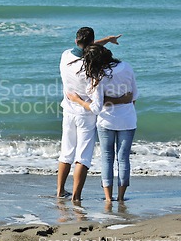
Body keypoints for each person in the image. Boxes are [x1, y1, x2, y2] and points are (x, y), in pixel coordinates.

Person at [58, 27, 129, 203]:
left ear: (76, 41)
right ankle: (76, 196)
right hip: (85, 114)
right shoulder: (92, 70)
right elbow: (96, 107)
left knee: (66, 152)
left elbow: (85, 48)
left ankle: (60, 191)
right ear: (91, 42)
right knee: (83, 156)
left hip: (68, 110)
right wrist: (80, 100)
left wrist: (106, 39)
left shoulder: (65, 56)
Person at [67, 44, 138, 203]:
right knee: (123, 158)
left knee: (107, 158)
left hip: (106, 121)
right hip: (128, 119)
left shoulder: (99, 76)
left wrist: (77, 99)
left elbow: (96, 108)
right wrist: (121, 102)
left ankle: (108, 198)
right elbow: (134, 95)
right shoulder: (127, 67)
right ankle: (121, 197)